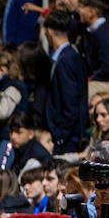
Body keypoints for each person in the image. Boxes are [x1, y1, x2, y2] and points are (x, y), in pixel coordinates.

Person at [44, 9, 90, 156]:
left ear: (49, 31)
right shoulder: (70, 55)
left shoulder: (66, 60)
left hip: (67, 139)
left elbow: (71, 104)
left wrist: (60, 137)